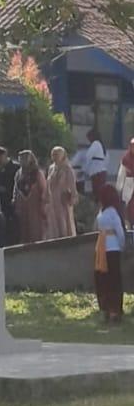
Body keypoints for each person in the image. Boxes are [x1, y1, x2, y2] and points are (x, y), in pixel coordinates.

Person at [95, 184, 126, 324]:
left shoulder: (103, 213)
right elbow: (120, 231)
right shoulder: (112, 212)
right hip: (112, 248)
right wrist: (123, 245)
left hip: (102, 248)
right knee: (114, 280)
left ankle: (106, 309)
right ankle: (114, 310)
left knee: (104, 280)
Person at [14, 150, 48, 244]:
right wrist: (15, 201)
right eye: (20, 159)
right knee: (24, 227)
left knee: (36, 227)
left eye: (24, 159)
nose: (21, 161)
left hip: (35, 204)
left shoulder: (37, 173)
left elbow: (44, 189)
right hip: (22, 205)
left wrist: (43, 204)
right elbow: (16, 188)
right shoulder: (19, 173)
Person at [46, 147, 78, 240]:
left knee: (64, 220)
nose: (54, 156)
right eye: (53, 154)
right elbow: (48, 183)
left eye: (57, 154)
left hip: (62, 199)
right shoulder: (51, 168)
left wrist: (73, 197)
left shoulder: (68, 169)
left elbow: (72, 186)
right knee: (53, 220)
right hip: (52, 199)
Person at [0, 148, 20, 246]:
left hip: (14, 202)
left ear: (5, 155)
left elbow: (18, 184)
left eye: (0, 157)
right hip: (2, 204)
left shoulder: (15, 167)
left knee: (15, 226)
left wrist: (7, 189)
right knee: (4, 228)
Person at [85, 129, 108, 198]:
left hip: (97, 172)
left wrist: (85, 169)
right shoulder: (101, 145)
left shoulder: (95, 144)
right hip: (102, 171)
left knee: (97, 192)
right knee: (100, 192)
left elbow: (88, 156)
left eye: (89, 137)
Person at [116, 138, 134, 226]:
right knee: (128, 206)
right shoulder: (126, 159)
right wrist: (119, 188)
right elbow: (121, 174)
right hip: (129, 185)